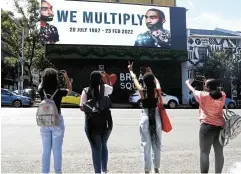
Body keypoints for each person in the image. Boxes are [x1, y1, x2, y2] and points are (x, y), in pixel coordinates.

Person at [185, 78, 226, 173]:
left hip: (207, 128)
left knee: (204, 153)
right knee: (219, 153)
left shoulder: (203, 95)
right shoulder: (223, 95)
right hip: (221, 128)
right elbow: (214, 93)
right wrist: (208, 83)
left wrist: (187, 82)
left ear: (207, 87)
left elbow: (193, 90)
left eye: (205, 84)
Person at [128, 62, 162, 173]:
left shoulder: (142, 91)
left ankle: (147, 170)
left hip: (145, 116)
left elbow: (134, 80)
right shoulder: (157, 90)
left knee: (146, 145)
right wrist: (152, 74)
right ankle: (156, 168)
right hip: (156, 117)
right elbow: (157, 81)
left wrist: (131, 70)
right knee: (156, 144)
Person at [38, 68, 72, 173]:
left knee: (45, 150)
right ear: (55, 78)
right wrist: (66, 77)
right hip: (57, 121)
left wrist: (44, 77)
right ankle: (57, 171)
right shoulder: (59, 91)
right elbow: (69, 89)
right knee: (57, 149)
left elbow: (40, 84)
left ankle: (45, 172)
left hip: (44, 122)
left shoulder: (41, 90)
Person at [80, 71, 113, 174]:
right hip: (106, 123)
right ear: (100, 79)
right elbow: (111, 87)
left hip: (92, 124)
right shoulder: (106, 88)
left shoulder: (86, 91)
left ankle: (97, 172)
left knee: (96, 148)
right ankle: (104, 169)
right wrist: (106, 77)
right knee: (104, 144)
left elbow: (82, 107)